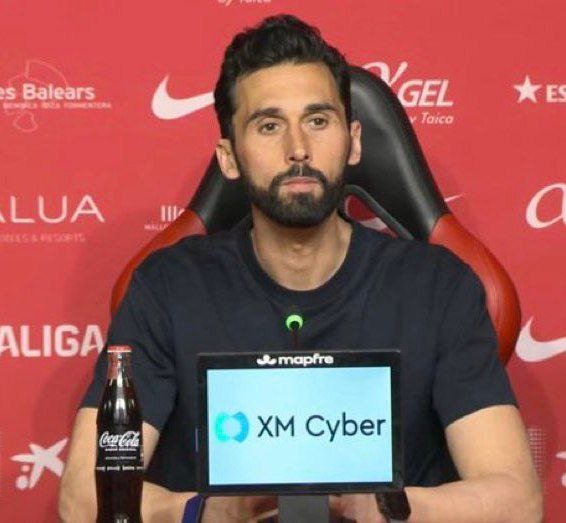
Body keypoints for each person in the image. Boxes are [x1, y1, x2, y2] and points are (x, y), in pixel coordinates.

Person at [59, 14, 542, 523]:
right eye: (269, 126)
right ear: (229, 157)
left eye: (318, 120)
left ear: (354, 141)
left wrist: (380, 507)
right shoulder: (167, 288)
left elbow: (517, 502)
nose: (297, 149)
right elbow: (82, 498)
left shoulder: (437, 287)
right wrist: (209, 511)